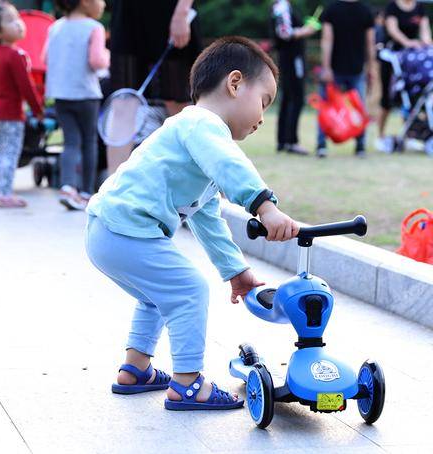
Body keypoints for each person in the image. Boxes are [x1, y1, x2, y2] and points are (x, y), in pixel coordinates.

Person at [85, 37, 299, 410]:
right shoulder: (202, 125)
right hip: (125, 229)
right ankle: (187, 383)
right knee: (189, 291)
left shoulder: (194, 137)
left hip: (108, 230)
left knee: (156, 296)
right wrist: (264, 206)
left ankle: (135, 369)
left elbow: (206, 217)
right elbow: (232, 166)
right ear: (235, 84)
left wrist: (235, 269)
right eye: (263, 101)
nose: (263, 117)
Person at [106, 0, 202, 174]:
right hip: (127, 15)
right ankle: (110, 192)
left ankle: (213, 190)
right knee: (123, 102)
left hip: (171, 13)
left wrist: (182, 12)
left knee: (179, 105)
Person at [45, 0, 109, 211]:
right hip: (86, 93)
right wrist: (107, 58)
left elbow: (44, 57)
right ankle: (86, 192)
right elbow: (97, 61)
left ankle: (67, 187)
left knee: (70, 142)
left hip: (61, 94)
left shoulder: (55, 27)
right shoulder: (94, 28)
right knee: (89, 140)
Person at [0, 3, 44, 208]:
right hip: (9, 114)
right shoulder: (15, 55)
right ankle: (5, 194)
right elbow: (26, 88)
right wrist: (38, 110)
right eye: (10, 21)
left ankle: (2, 191)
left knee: (2, 153)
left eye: (17, 18)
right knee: (10, 153)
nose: (18, 24)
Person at [317, 0, 377, 158]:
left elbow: (370, 43)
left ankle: (355, 144)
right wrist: (327, 67)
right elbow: (369, 44)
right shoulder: (362, 10)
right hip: (344, 69)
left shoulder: (335, 9)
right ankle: (357, 146)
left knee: (328, 106)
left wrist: (371, 67)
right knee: (356, 108)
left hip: (353, 70)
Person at [376, 0, 432, 152]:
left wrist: (426, 43)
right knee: (387, 100)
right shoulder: (392, 7)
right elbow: (393, 30)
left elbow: (425, 30)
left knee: (411, 98)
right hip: (393, 57)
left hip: (413, 61)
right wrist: (408, 42)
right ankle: (380, 136)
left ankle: (410, 135)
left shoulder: (419, 7)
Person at [271, 0, 317, 155]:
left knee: (287, 98)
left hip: (287, 58)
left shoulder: (282, 6)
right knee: (296, 98)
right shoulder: (282, 7)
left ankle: (283, 140)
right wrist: (306, 30)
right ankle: (292, 141)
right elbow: (284, 32)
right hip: (292, 58)